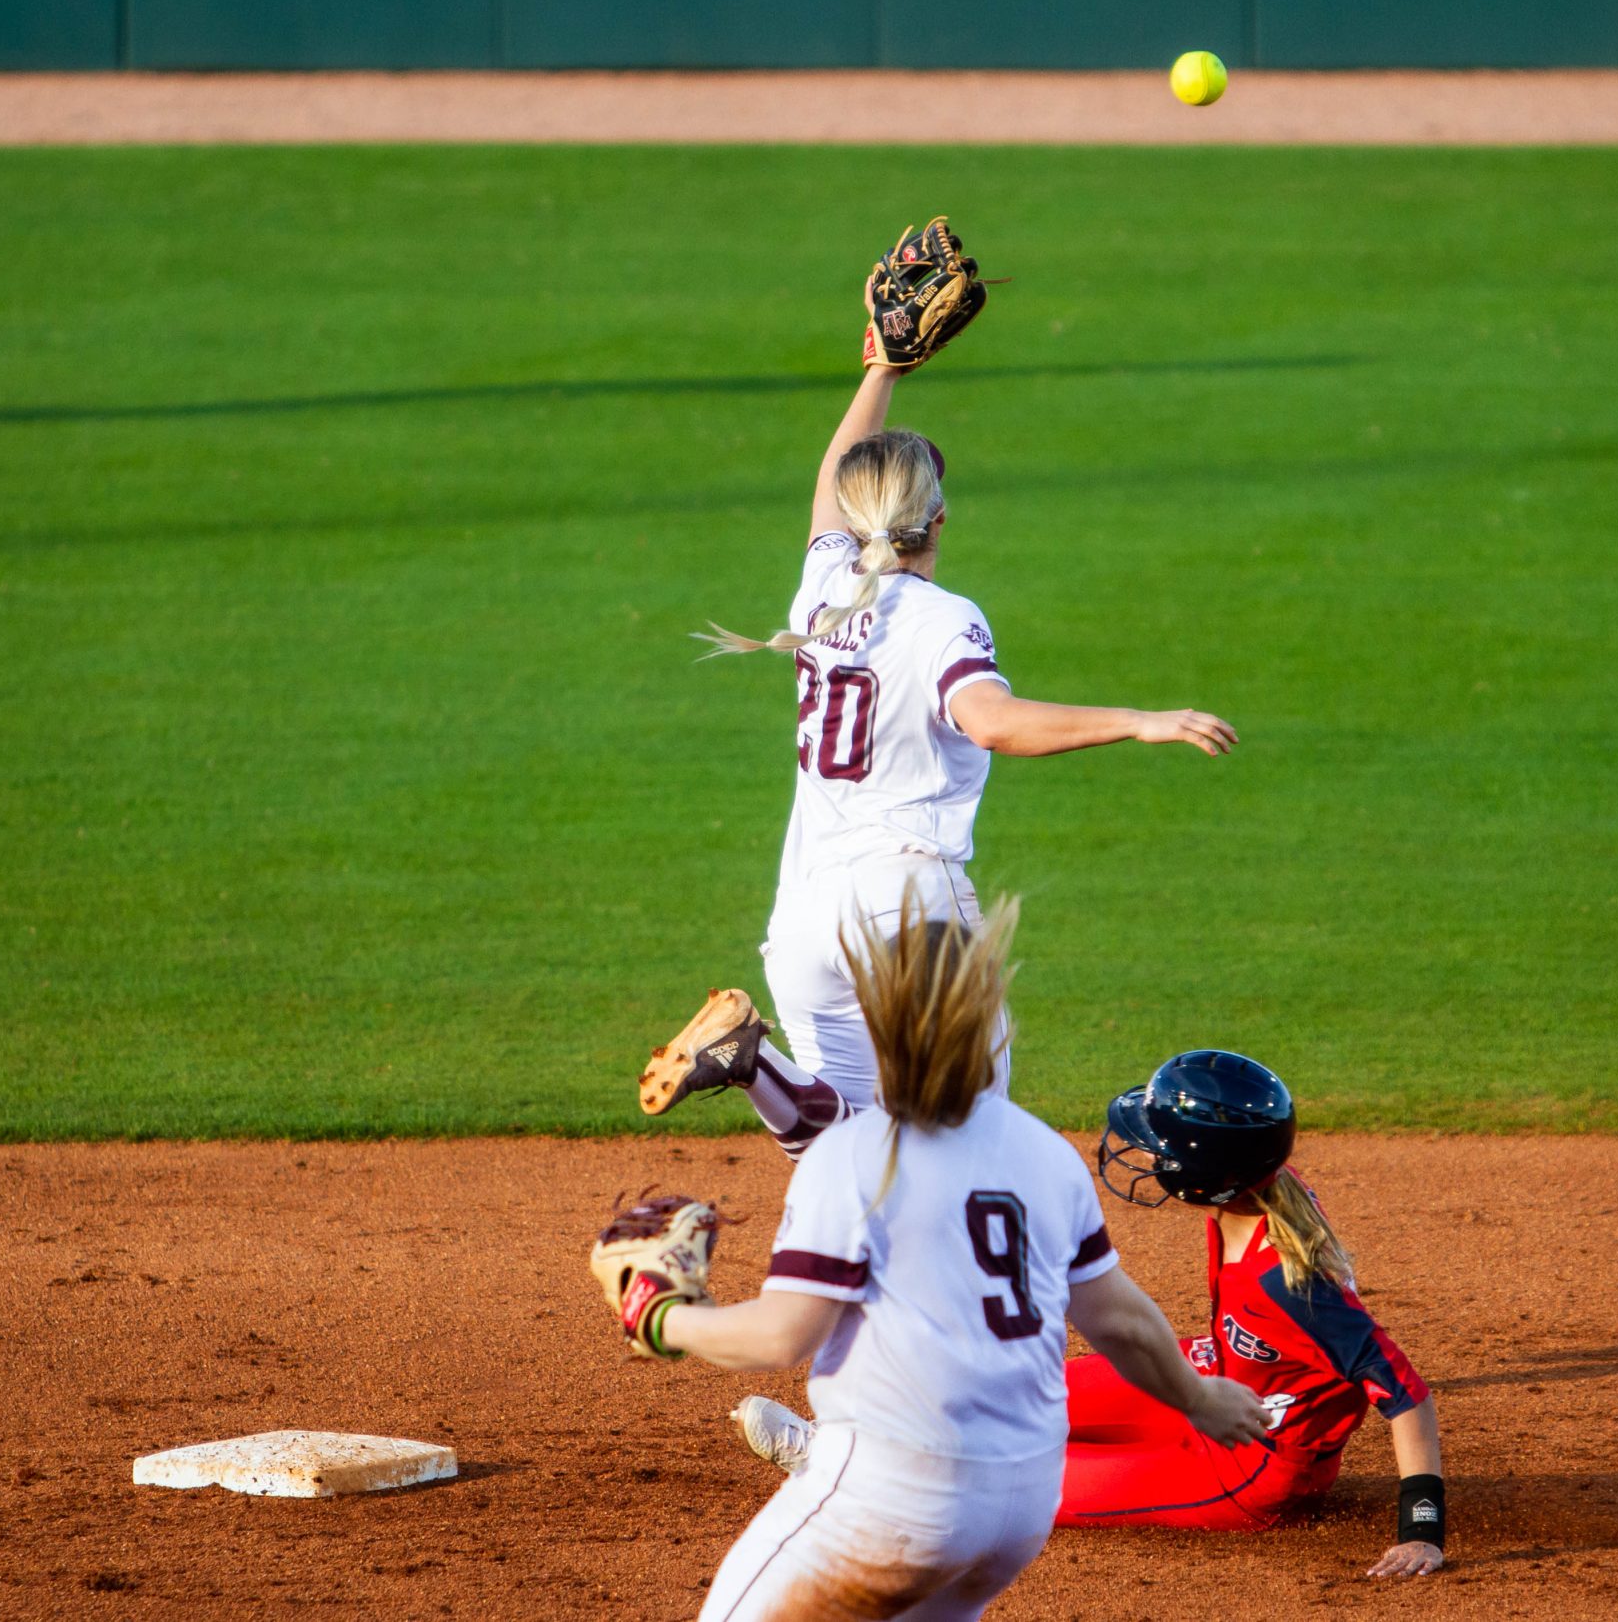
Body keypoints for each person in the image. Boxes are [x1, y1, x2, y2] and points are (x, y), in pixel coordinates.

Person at [638, 341, 1238, 1154]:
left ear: (851, 522)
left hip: (806, 915)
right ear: (940, 520)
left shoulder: (822, 589)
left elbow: (828, 486)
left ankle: (753, 1065)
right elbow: (990, 719)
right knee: (971, 1138)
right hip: (907, 908)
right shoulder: (942, 615)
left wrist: (879, 370)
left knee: (844, 1154)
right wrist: (1135, 718)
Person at [618, 895, 1271, 1621]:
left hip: (899, 1500)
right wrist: (1200, 1397)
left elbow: (781, 1335)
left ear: (878, 1026)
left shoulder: (852, 1156)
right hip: (1021, 1505)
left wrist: (661, 1315)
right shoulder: (1047, 1156)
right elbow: (1119, 1318)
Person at [1074, 1050, 1447, 1574]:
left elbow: (1406, 1394)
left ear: (1205, 1175)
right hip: (1215, 1373)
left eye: (1164, 1149)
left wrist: (1422, 1530)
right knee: (1027, 1391)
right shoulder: (1262, 1186)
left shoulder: (1288, 1286)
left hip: (1248, 1463)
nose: (1152, 1154)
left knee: (1014, 1486)